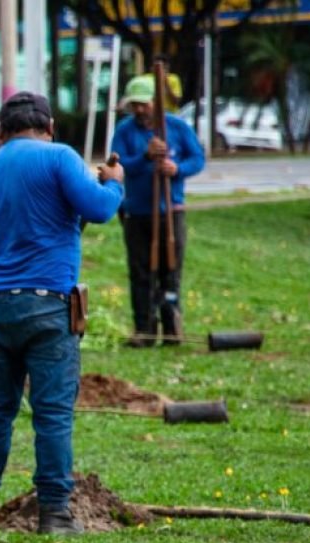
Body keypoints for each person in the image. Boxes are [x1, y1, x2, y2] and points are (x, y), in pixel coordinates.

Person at [0, 92, 124, 534]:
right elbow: (102, 209)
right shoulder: (60, 157)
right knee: (52, 413)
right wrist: (115, 181)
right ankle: (55, 513)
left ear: (0, 133)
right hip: (49, 305)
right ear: (49, 126)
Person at [111, 74, 205, 347]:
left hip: (170, 210)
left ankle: (171, 326)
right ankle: (144, 329)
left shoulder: (176, 127)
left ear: (156, 102)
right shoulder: (125, 131)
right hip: (137, 212)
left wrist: (177, 169)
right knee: (141, 271)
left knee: (170, 270)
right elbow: (118, 165)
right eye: (134, 105)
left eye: (144, 104)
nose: (139, 110)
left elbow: (197, 158)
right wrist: (145, 157)